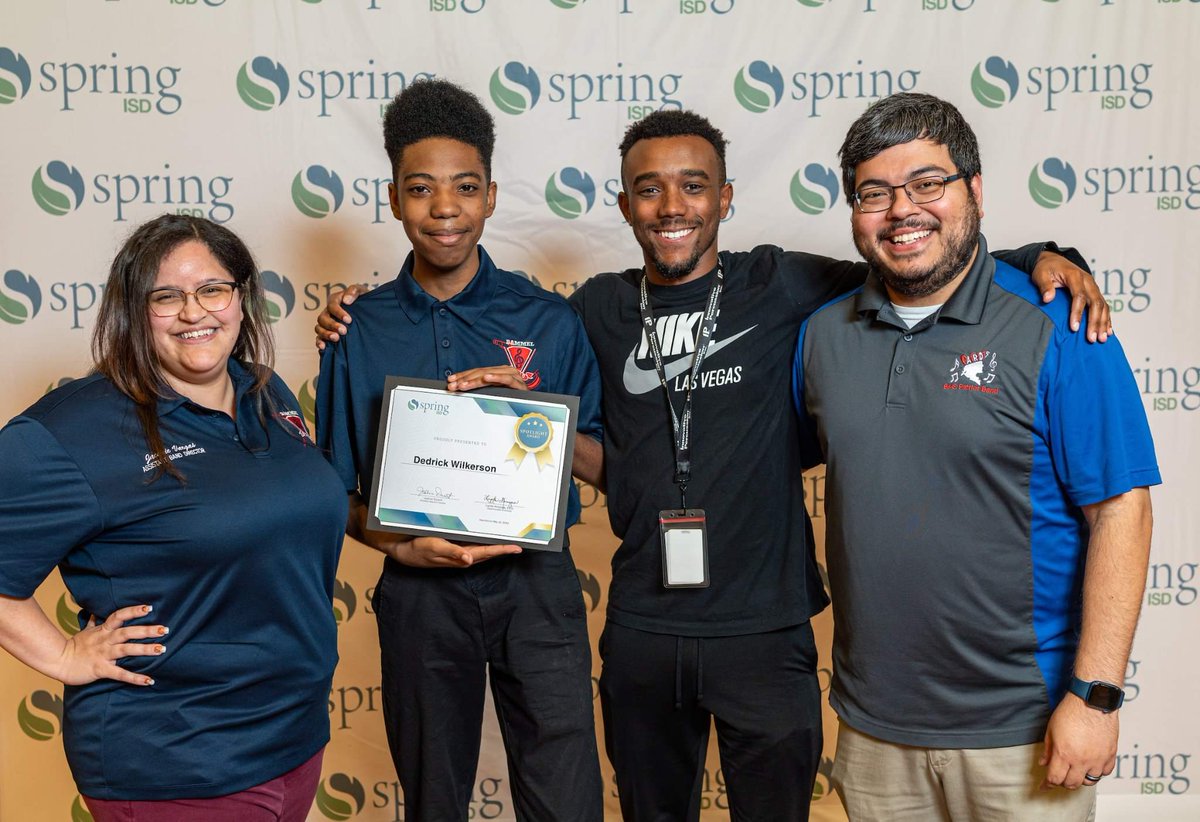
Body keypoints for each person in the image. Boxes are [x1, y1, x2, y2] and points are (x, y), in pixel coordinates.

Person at [316, 109, 1109, 821]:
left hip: (765, 630)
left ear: (724, 198)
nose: (672, 207)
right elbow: (564, 440)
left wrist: (1041, 255)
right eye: (649, 190)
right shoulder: (591, 310)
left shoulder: (786, 284)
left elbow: (914, 259)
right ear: (624, 206)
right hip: (642, 630)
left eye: (693, 186)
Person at [792, 92, 1158, 821]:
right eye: (875, 193)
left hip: (1023, 729)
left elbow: (1123, 511)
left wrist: (1095, 697)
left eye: (927, 183)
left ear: (976, 191)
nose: (902, 210)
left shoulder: (1060, 323)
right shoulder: (821, 337)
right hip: (872, 732)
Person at [314, 78, 604, 822]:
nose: (445, 209)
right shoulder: (357, 330)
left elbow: (600, 459)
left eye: (465, 187)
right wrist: (397, 549)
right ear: (393, 198)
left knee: (565, 796)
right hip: (419, 593)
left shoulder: (549, 320)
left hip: (536, 585)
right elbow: (336, 493)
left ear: (492, 195)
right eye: (422, 189)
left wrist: (526, 415)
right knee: (432, 798)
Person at [0, 214, 347, 821]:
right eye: (167, 297)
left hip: (293, 739)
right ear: (135, 312)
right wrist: (62, 656)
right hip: (177, 760)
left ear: (241, 298)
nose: (195, 313)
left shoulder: (267, 393)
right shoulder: (73, 430)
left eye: (213, 289)